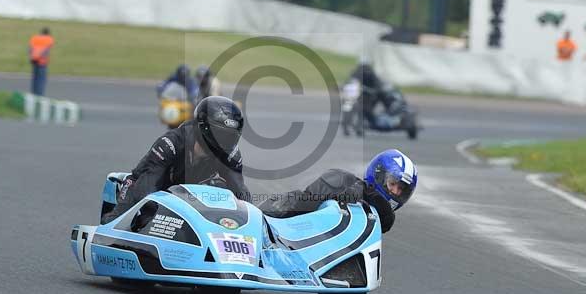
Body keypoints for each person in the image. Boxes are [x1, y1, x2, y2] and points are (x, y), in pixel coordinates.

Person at [102, 96, 250, 224]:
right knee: (130, 217)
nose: (225, 142)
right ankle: (110, 223)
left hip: (186, 197)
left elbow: (240, 191)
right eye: (221, 135)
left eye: (231, 136)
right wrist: (154, 216)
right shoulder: (171, 143)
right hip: (151, 189)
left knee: (221, 190)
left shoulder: (230, 155)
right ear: (203, 128)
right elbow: (147, 186)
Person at [260, 149, 417, 234]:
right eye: (392, 184)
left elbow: (386, 220)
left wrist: (369, 195)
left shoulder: (385, 217)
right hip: (293, 225)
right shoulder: (343, 180)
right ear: (378, 174)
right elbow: (307, 201)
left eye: (401, 189)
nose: (395, 192)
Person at [28, 27, 55, 95]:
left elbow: (30, 49)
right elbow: (46, 50)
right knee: (41, 79)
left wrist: (32, 57)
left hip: (34, 60)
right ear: (48, 33)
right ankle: (40, 95)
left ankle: (33, 94)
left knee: (35, 78)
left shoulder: (34, 38)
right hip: (42, 61)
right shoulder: (49, 39)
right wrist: (40, 57)